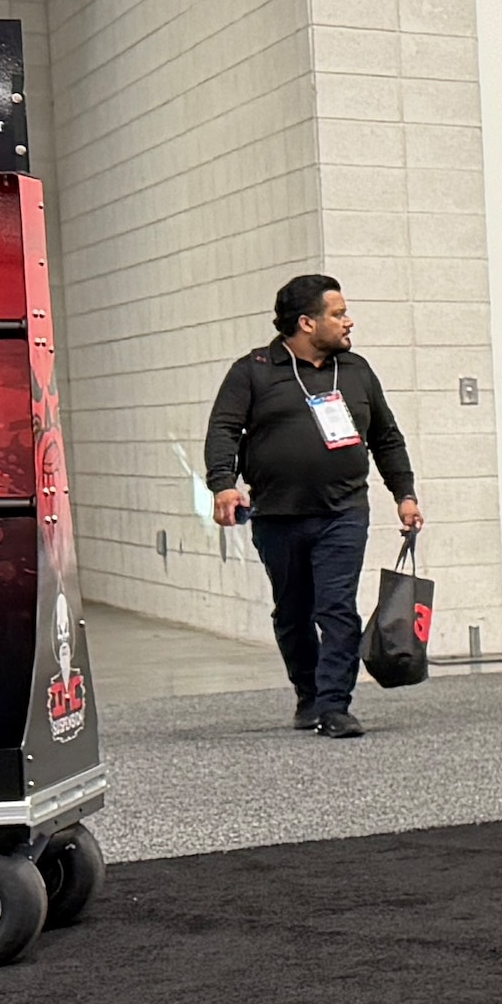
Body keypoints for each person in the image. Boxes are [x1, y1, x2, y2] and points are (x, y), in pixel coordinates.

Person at [205, 274, 421, 742]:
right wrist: (223, 485)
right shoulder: (254, 371)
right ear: (306, 322)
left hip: (344, 511)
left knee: (337, 607)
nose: (348, 321)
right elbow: (224, 429)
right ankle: (308, 694)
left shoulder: (357, 371)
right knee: (293, 611)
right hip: (278, 515)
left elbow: (386, 437)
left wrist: (404, 494)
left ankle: (335, 706)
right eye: (338, 314)